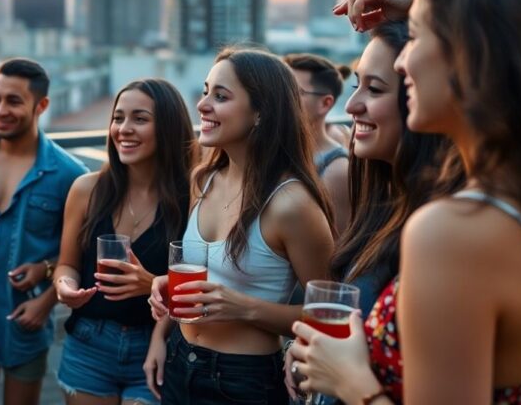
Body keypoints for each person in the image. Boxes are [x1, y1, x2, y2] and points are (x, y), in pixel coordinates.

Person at [291, 0, 521, 404]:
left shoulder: (453, 233)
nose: (403, 60)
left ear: (471, 55)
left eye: (415, 36)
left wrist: (353, 384)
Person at [282, 21, 462, 402]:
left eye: (376, 89)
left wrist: (349, 381)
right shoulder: (381, 205)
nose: (352, 106)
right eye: (356, 85)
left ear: (421, 98)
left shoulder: (446, 234)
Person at [147, 47, 336, 405]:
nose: (203, 105)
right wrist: (164, 294)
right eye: (205, 92)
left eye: (220, 96)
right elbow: (204, 278)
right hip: (178, 359)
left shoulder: (291, 204)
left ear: (261, 112)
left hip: (243, 380)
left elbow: (326, 316)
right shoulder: (203, 179)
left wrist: (244, 307)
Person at [0, 58, 87, 405]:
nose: (0, 110)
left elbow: (80, 255)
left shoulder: (70, 175)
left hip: (25, 313)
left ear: (42, 106)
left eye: (13, 101)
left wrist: (46, 297)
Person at [53, 79, 196, 405]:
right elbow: (67, 264)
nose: (124, 129)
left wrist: (152, 285)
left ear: (169, 128)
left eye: (140, 119)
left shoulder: (192, 197)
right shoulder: (86, 189)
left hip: (158, 345)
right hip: (89, 341)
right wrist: (65, 286)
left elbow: (201, 280)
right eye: (118, 118)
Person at [284, 54, 352, 234]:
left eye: (294, 92)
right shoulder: (273, 150)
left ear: (325, 103)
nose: (282, 99)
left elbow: (336, 246)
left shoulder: (337, 170)